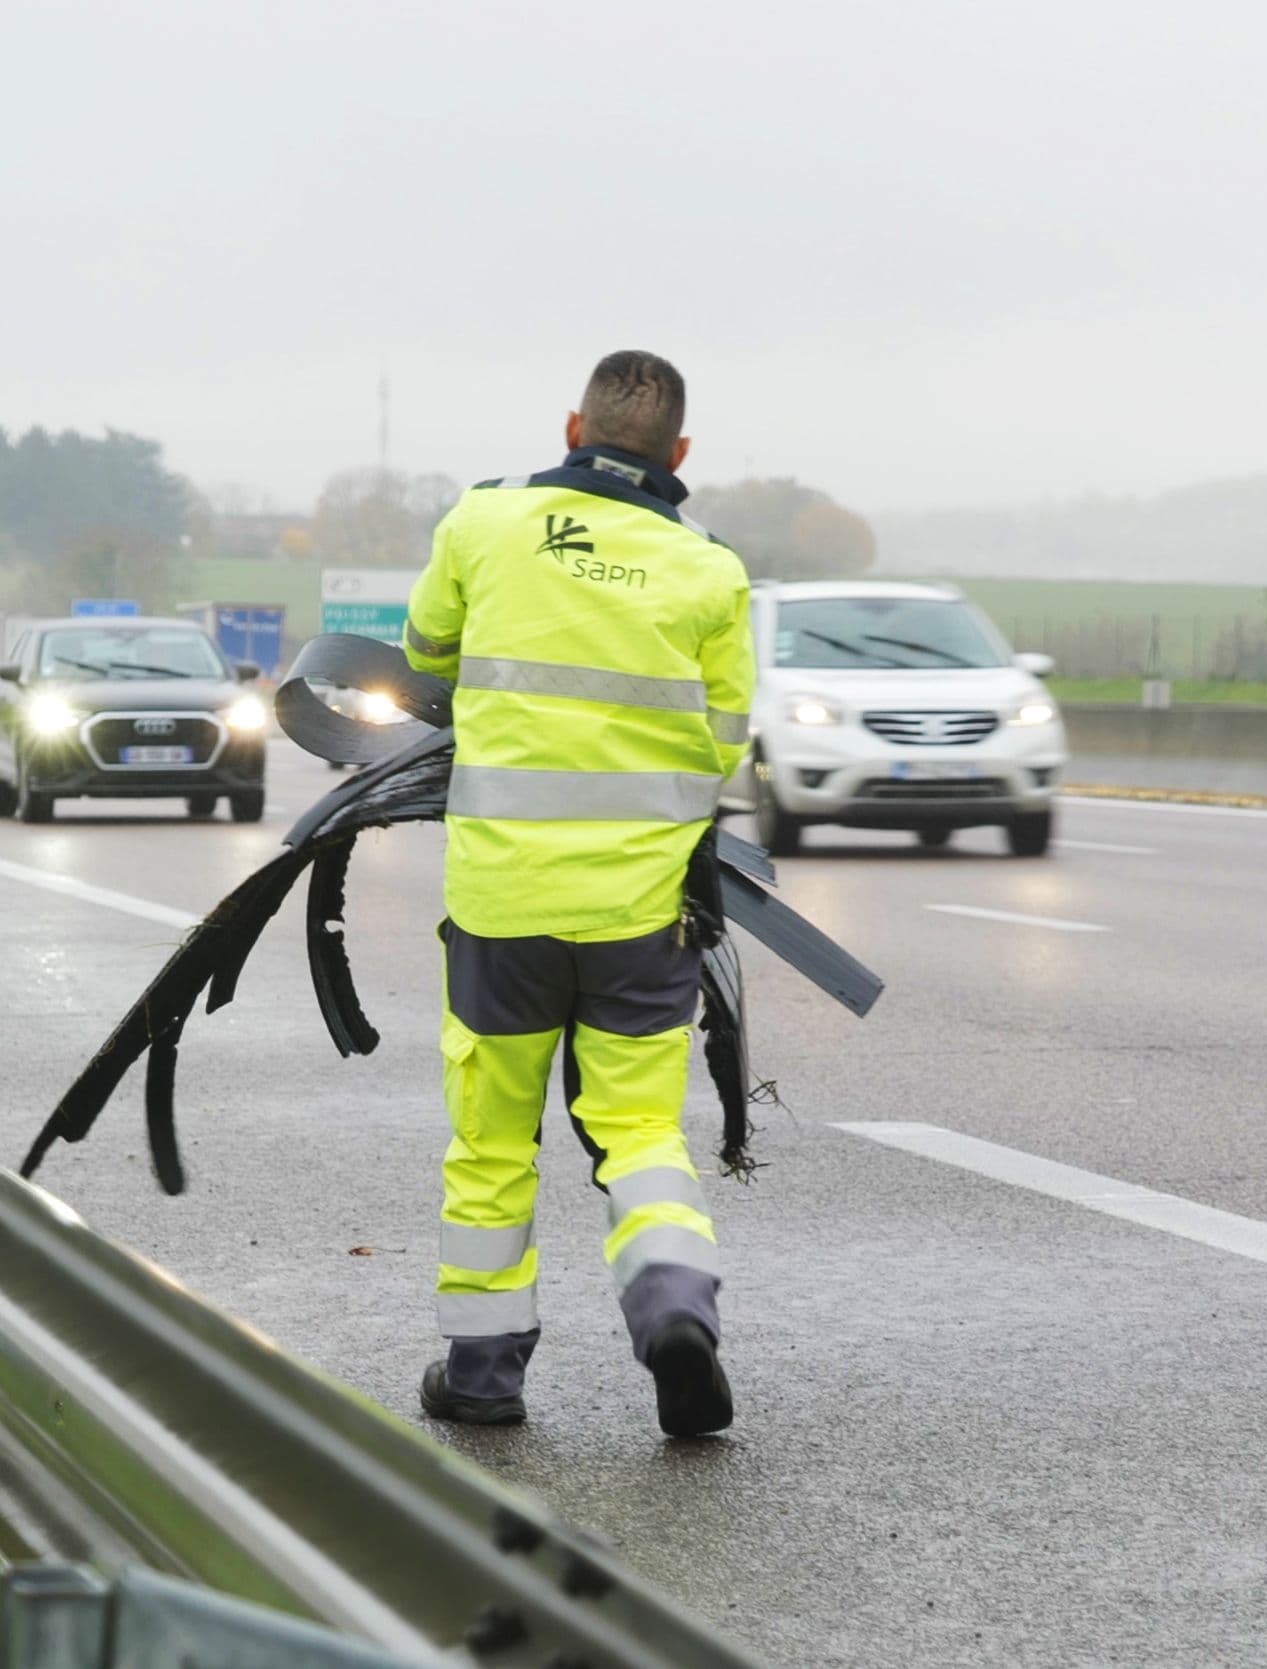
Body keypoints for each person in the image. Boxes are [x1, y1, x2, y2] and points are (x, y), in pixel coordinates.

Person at [400, 349, 754, 1437]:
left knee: (492, 1139)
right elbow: (725, 752)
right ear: (680, 454)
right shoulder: (710, 572)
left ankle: (483, 1374)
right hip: (638, 914)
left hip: (501, 906)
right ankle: (670, 1308)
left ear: (571, 427)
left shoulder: (482, 523)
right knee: (642, 1129)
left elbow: (425, 654)